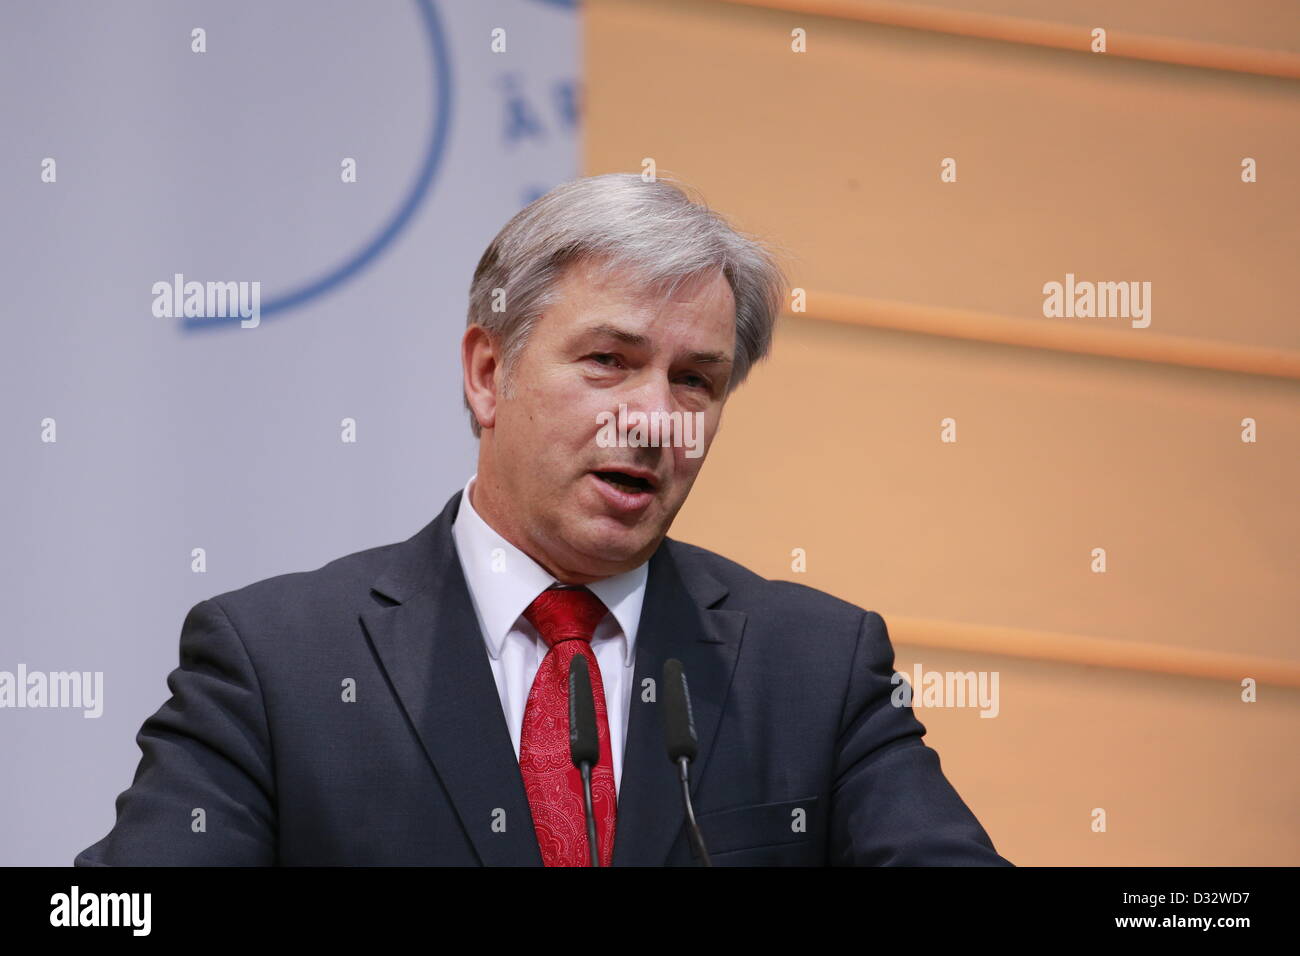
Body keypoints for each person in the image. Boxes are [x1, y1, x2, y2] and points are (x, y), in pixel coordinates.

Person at [75, 173, 1010, 866]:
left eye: (696, 380)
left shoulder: (815, 667)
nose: (653, 418)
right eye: (608, 359)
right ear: (489, 374)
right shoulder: (280, 663)